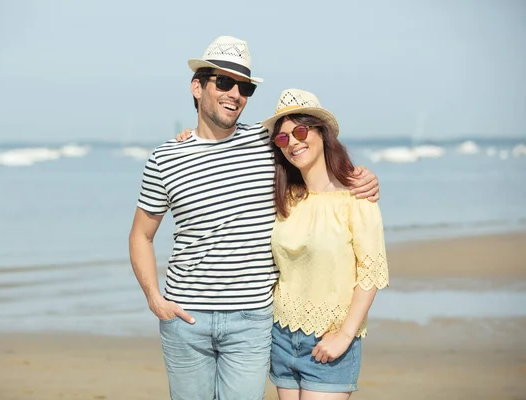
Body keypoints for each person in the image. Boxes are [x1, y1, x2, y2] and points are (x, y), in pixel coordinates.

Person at [129, 36, 380, 400]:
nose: (235, 94)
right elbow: (141, 235)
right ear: (197, 87)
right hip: (185, 319)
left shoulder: (270, 144)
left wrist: (364, 179)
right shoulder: (166, 158)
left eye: (244, 86)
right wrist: (155, 299)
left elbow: (314, 156)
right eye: (225, 82)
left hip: (253, 321)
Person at [260, 88, 389, 399]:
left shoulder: (356, 197)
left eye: (300, 130)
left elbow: (370, 274)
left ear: (321, 133)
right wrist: (190, 136)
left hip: (329, 341)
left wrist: (344, 336)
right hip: (281, 336)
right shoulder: (285, 198)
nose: (292, 142)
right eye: (283, 138)